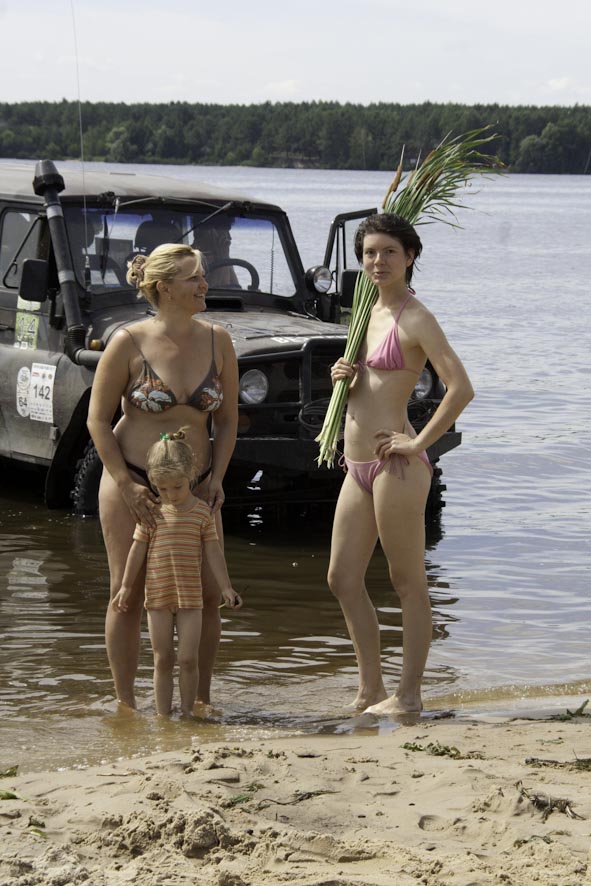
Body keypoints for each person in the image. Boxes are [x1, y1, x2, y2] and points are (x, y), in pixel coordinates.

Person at [327, 213, 474, 716]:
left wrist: (418, 444)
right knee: (342, 578)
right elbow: (370, 386)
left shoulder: (416, 317)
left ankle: (409, 695)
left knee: (407, 581)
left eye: (389, 251)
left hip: (397, 467)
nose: (378, 260)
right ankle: (371, 689)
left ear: (410, 256)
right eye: (370, 252)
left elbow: (461, 388)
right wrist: (344, 376)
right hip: (356, 464)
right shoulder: (364, 312)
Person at [87, 243, 239, 709]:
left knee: (207, 595)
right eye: (195, 277)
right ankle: (127, 708)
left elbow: (227, 420)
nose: (205, 284)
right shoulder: (127, 342)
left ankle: (201, 702)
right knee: (127, 594)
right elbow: (97, 420)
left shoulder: (219, 340)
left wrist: (216, 479)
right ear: (165, 288)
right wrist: (126, 484)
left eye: (202, 275)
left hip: (198, 485)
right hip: (132, 479)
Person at [111, 428, 241, 717]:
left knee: (187, 659)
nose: (170, 495)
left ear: (191, 476)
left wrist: (226, 587)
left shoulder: (202, 513)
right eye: (163, 489)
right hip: (158, 597)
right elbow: (136, 551)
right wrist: (126, 586)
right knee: (162, 659)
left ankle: (187, 714)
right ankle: (162, 719)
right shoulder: (152, 513)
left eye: (177, 487)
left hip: (191, 599)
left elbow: (213, 552)